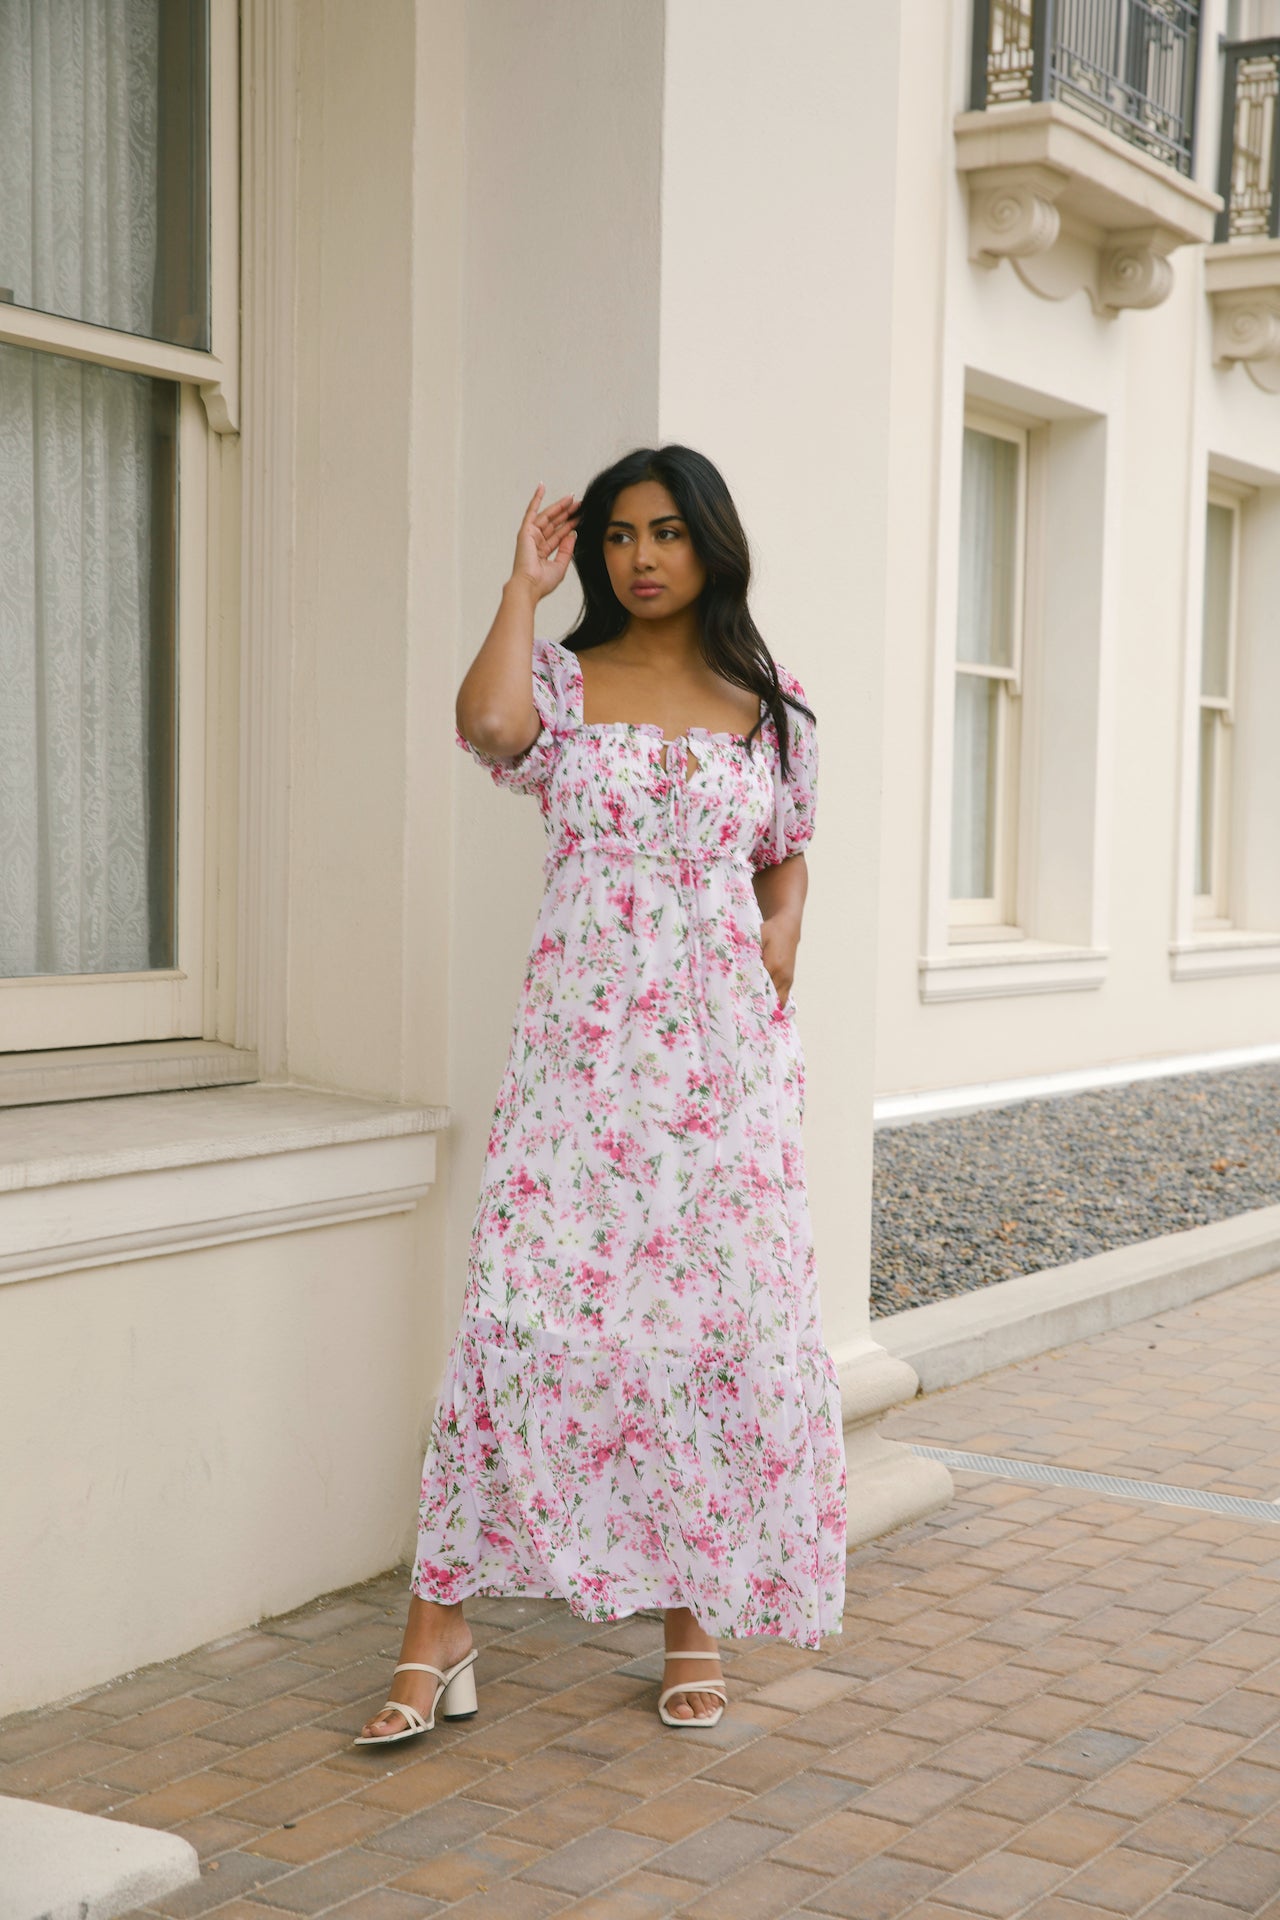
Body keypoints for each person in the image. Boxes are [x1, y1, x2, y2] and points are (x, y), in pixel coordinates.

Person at [357, 444, 847, 1745]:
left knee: (702, 1333)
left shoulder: (770, 701)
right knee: (517, 1320)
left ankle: (693, 1614)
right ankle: (440, 1622)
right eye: (619, 534)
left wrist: (782, 930)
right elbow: (487, 729)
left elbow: (789, 851)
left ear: (711, 547)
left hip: (725, 1071)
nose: (640, 556)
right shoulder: (563, 685)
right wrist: (520, 590)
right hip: (580, 1066)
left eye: (667, 533)